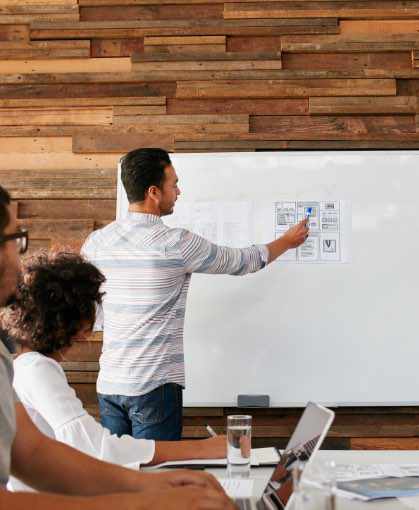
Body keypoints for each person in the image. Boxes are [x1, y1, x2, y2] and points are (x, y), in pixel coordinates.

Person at [0, 185, 235, 510]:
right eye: (16, 239)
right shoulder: (36, 369)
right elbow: (87, 445)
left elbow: (34, 453)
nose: (19, 255)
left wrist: (152, 485)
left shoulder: (13, 362)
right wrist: (152, 493)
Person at [81, 148, 309, 441]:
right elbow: (242, 261)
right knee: (161, 477)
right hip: (155, 386)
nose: (178, 191)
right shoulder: (176, 243)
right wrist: (287, 241)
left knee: (119, 476)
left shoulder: (97, 243)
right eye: (173, 184)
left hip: (110, 385)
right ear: (153, 192)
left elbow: (95, 312)